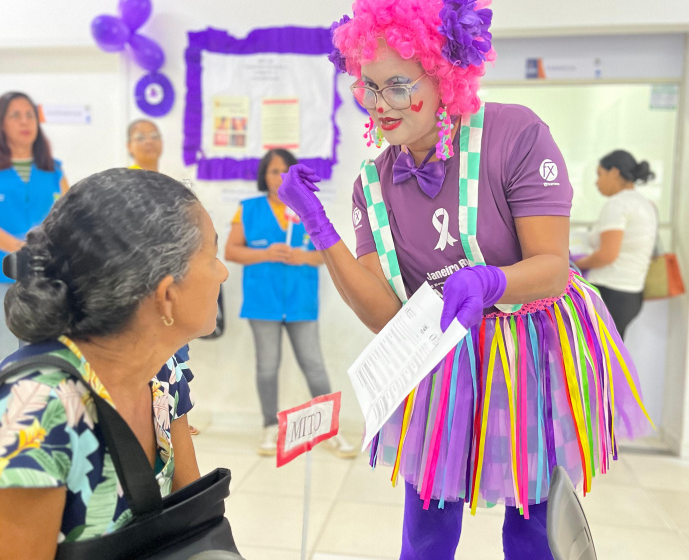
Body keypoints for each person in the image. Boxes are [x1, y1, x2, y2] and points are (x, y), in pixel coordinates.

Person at [278, 1, 654, 558]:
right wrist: (319, 227)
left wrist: (491, 284)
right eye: (368, 86)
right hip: (441, 348)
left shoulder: (516, 133)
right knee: (426, 515)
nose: (381, 105)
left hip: (531, 344)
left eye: (398, 84)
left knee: (532, 520)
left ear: (445, 71)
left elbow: (552, 267)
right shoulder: (372, 182)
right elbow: (385, 315)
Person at [0, 168, 226, 558]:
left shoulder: (162, 376)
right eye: (212, 256)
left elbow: (191, 526)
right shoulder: (31, 421)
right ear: (166, 294)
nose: (221, 272)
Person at [224, 149, 356, 458]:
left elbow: (326, 254)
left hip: (300, 301)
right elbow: (231, 251)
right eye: (273, 171)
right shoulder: (247, 209)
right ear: (263, 175)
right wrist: (265, 253)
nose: (279, 177)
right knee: (267, 366)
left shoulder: (306, 208)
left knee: (314, 365)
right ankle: (270, 426)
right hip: (262, 302)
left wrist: (305, 257)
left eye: (285, 171)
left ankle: (330, 431)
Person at [0, 91, 70, 379]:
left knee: (41, 350)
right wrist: (19, 246)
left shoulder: (53, 169)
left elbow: (70, 217)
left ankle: (35, 418)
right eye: (15, 115)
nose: (24, 122)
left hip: (41, 276)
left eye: (30, 115)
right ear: (0, 124)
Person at [126, 119, 205, 435]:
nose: (148, 141)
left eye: (153, 135)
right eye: (140, 136)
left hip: (172, 279)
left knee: (176, 348)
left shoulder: (172, 183)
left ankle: (177, 412)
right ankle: (147, 414)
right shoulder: (123, 184)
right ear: (129, 146)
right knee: (147, 349)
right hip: (140, 281)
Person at [574, 151, 658, 338]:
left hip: (611, 293)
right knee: (612, 358)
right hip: (632, 294)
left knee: (599, 361)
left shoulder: (618, 204)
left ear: (614, 172)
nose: (596, 182)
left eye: (599, 174)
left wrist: (573, 264)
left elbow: (607, 255)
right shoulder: (646, 204)